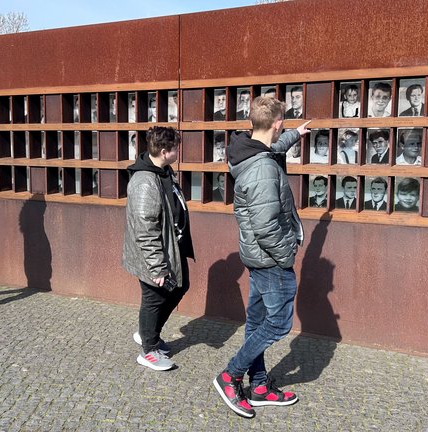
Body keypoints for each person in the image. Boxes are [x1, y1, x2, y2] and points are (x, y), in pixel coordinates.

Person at [213, 96, 309, 418]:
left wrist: (296, 135)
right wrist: (288, 254)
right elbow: (267, 226)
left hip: (256, 257)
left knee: (256, 323)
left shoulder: (251, 150)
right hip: (271, 260)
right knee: (278, 324)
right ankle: (230, 375)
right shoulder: (263, 168)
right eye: (283, 123)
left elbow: (273, 147)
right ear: (276, 122)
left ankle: (258, 386)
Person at [122, 126, 195, 371]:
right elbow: (146, 230)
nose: (178, 151)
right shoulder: (145, 182)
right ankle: (149, 350)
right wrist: (157, 267)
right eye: (176, 148)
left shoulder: (162, 171)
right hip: (155, 255)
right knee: (154, 298)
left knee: (180, 287)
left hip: (171, 247)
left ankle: (148, 333)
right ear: (165, 151)